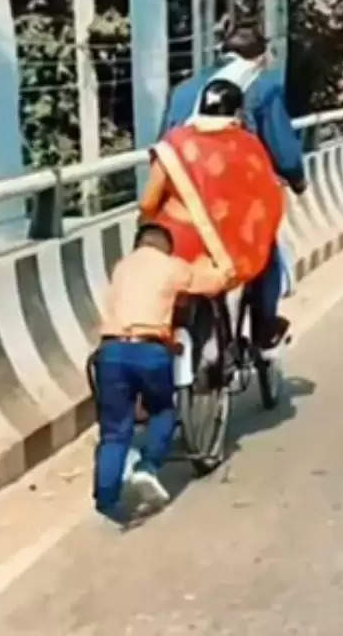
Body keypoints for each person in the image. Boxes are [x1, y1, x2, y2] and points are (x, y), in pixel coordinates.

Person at [161, 22, 306, 349]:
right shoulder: (262, 86)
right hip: (235, 205)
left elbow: (163, 145)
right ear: (260, 56)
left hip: (184, 199)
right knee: (263, 253)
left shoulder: (185, 89)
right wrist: (297, 179)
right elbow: (283, 151)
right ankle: (264, 328)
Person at [93, 223, 233, 524]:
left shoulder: (121, 268)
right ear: (167, 247)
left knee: (114, 431)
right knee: (162, 411)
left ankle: (107, 501)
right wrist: (219, 266)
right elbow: (211, 283)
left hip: (111, 352)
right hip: (149, 351)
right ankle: (149, 466)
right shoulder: (171, 267)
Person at [140, 78, 286, 294]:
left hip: (176, 245)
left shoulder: (174, 143)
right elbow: (268, 199)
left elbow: (147, 202)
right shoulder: (249, 146)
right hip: (229, 252)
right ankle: (262, 321)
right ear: (238, 113)